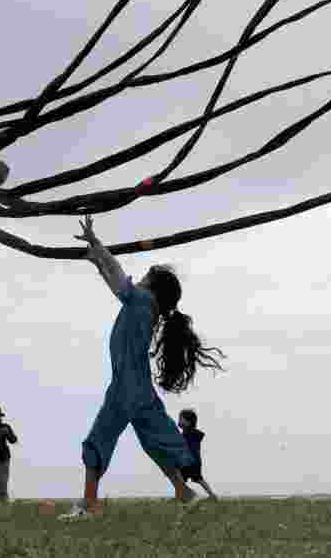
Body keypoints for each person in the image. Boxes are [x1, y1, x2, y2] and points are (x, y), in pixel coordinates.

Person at [60, 216, 225, 520]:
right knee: (154, 442)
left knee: (98, 440)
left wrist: (98, 246)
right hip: (138, 387)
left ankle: (89, 505)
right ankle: (186, 494)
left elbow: (119, 278)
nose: (141, 276)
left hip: (127, 387)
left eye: (147, 274)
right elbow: (115, 280)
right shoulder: (144, 306)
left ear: (153, 287)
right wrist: (97, 259)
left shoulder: (140, 301)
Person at [178, 409, 218, 499]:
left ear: (188, 422)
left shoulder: (188, 434)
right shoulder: (189, 433)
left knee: (180, 479)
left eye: (181, 419)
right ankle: (212, 495)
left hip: (189, 461)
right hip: (194, 461)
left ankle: (182, 496)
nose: (179, 421)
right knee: (198, 479)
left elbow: (189, 447)